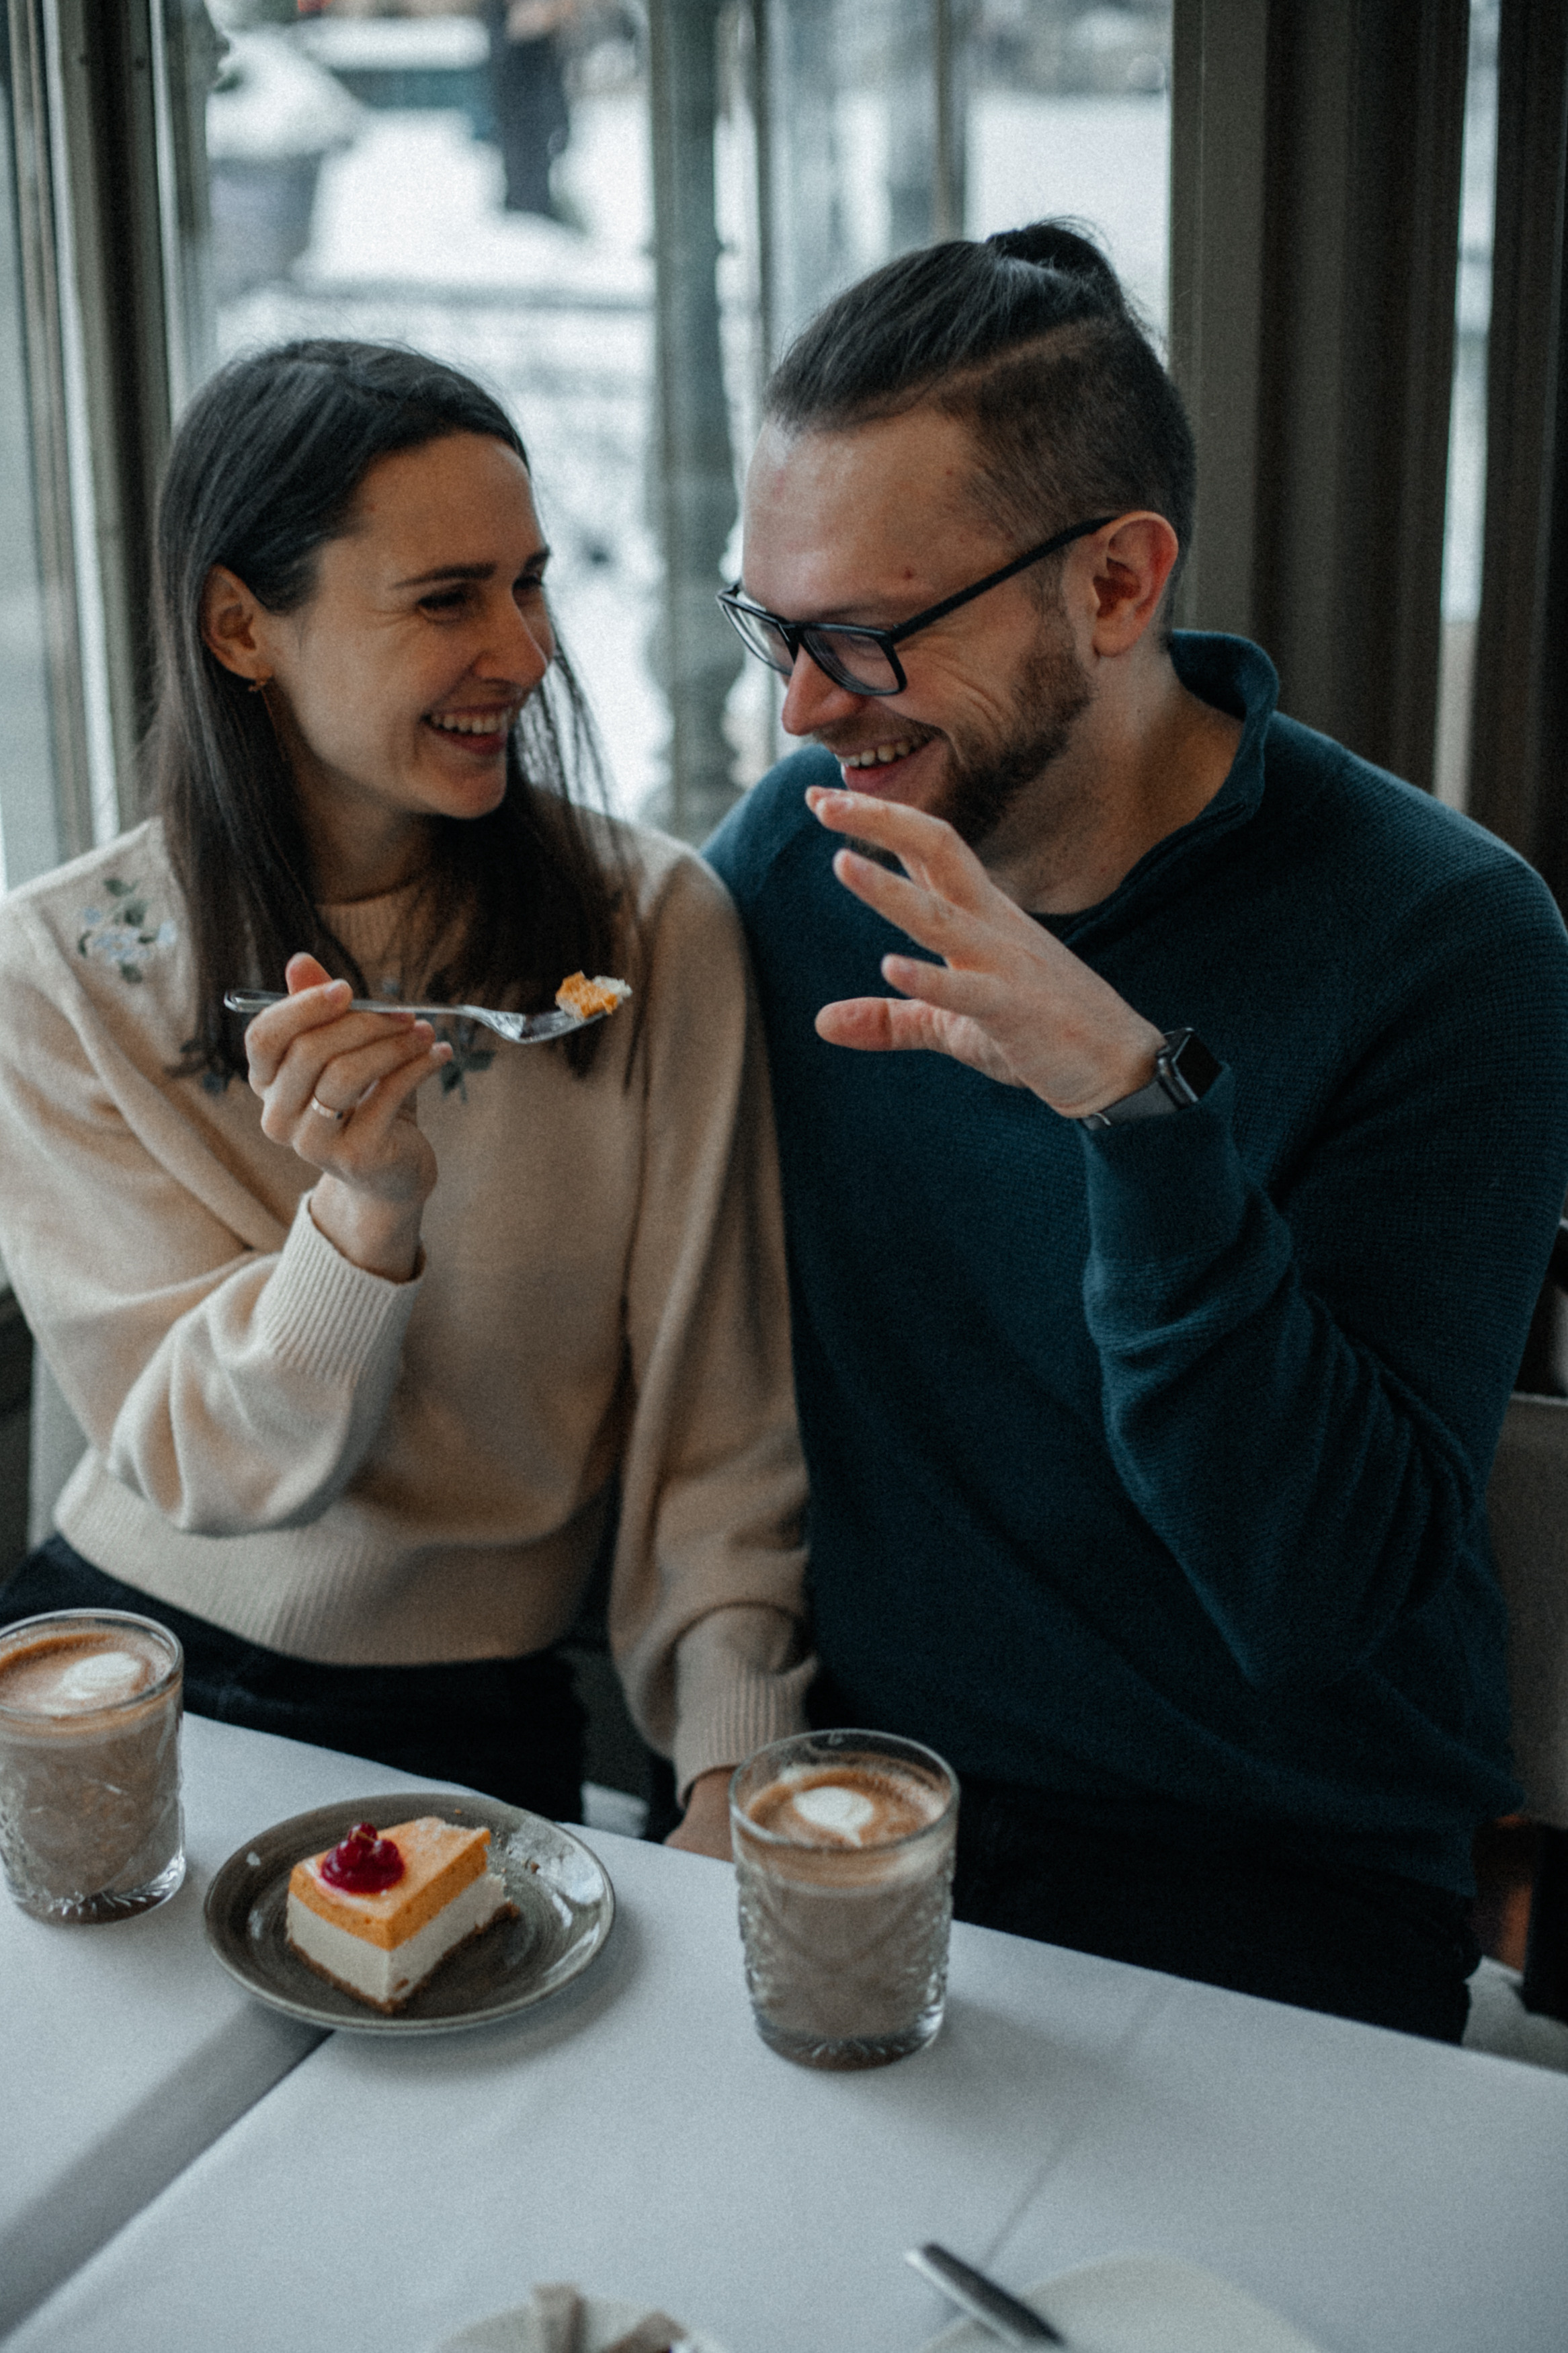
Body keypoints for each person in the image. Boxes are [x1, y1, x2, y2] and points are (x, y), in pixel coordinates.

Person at [706, 221, 1568, 2034]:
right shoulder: (792, 864)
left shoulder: (1445, 938)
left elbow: (1317, 1594)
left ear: (1110, 585)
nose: (794, 710)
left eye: (857, 637)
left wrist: (1135, 1107)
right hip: (880, 1801)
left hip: (1280, 1858)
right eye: (771, 627)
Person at [0, 340, 808, 1856]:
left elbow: (723, 1435)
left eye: (531, 582)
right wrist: (364, 1219)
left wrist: (729, 1765)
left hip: (461, 1710)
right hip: (115, 1651)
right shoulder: (59, 970)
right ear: (244, 627)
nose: (524, 651)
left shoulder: (653, 933)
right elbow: (197, 1464)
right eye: (449, 599)